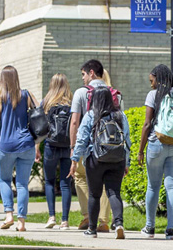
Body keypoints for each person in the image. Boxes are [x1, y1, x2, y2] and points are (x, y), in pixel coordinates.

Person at [69, 87, 131, 239]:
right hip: (117, 159)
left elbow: (82, 138)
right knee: (114, 192)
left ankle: (92, 229)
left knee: (94, 194)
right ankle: (119, 223)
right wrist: (127, 162)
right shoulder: (120, 115)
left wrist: (75, 159)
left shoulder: (91, 115)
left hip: (95, 159)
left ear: (94, 99)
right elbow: (127, 140)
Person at [138, 64, 173, 240]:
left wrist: (140, 150)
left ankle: (150, 228)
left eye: (152, 81)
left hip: (157, 142)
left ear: (158, 79)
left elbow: (147, 124)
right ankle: (170, 230)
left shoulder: (154, 94)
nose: (151, 85)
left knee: (153, 185)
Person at [0, 65, 38, 231]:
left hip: (6, 146)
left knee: (4, 180)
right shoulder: (26, 94)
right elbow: (40, 113)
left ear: (2, 79)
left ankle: (9, 214)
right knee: (23, 184)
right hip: (26, 144)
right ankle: (21, 222)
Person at [69, 59, 114, 232]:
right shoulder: (114, 93)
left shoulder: (81, 93)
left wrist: (73, 147)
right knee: (104, 181)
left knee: (80, 176)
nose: (82, 78)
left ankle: (88, 216)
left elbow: (74, 122)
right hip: (109, 145)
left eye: (83, 74)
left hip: (88, 146)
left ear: (91, 73)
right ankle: (103, 220)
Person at [40, 73, 74, 229]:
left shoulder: (46, 103)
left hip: (50, 146)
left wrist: (36, 148)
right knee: (65, 184)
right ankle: (65, 221)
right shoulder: (72, 103)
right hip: (67, 147)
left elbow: (39, 128)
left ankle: (51, 216)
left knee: (49, 181)